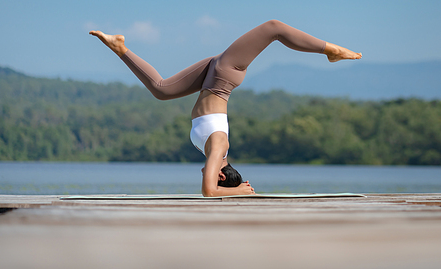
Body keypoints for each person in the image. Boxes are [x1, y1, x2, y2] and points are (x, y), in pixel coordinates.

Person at [90, 20, 362, 197]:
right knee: (273, 28)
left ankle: (120, 48)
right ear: (221, 174)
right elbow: (209, 191)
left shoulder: (209, 148)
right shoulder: (219, 146)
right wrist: (243, 192)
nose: (205, 172)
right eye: (214, 175)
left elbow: (211, 185)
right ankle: (330, 50)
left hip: (213, 74)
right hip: (223, 74)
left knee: (162, 90)